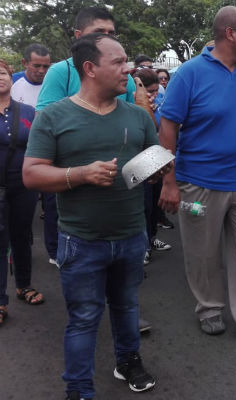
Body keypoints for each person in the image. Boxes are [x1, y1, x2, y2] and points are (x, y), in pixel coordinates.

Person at [23, 33, 163, 400]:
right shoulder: (53, 115)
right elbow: (32, 174)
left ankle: (128, 361)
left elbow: (145, 167)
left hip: (132, 235)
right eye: (118, 62)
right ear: (90, 68)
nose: (128, 68)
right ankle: (79, 388)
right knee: (84, 318)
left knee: (127, 306)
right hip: (80, 241)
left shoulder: (137, 115)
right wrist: (81, 174)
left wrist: (160, 169)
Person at [158, 6, 236, 348]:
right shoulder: (189, 74)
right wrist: (169, 180)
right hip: (199, 185)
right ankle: (209, 308)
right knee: (202, 252)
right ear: (230, 33)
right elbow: (167, 126)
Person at [35, 6, 137, 273]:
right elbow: (43, 118)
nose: (107, 37)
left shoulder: (123, 77)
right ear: (79, 36)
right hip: (69, 176)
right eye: (98, 32)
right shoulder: (60, 72)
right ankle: (62, 256)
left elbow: (135, 120)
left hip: (118, 181)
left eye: (111, 33)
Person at [0, 59, 42, 328]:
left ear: (11, 78)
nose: (0, 78)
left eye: (2, 73)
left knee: (22, 236)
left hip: (24, 185)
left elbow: (39, 145)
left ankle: (23, 285)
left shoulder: (27, 111)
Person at [132, 68, 171, 265]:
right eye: (151, 90)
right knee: (143, 205)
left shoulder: (158, 105)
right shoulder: (131, 105)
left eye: (157, 90)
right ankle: (143, 246)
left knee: (155, 202)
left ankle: (152, 237)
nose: (154, 94)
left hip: (155, 157)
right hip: (138, 160)